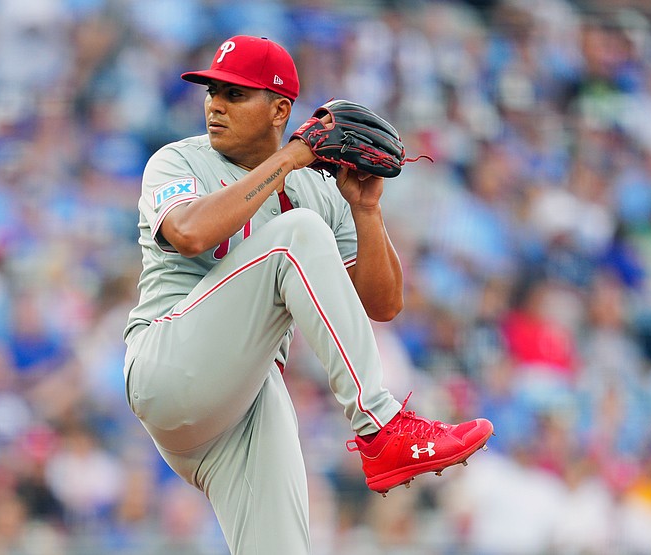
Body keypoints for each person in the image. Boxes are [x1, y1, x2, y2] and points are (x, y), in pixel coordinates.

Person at [122, 35, 493, 554]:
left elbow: (383, 305)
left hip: (242, 399)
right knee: (296, 232)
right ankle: (380, 425)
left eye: (235, 94)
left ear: (280, 109)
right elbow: (188, 233)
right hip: (166, 362)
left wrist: (366, 211)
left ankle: (381, 429)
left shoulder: (320, 192)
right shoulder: (178, 160)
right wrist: (293, 157)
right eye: (213, 92)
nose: (215, 105)